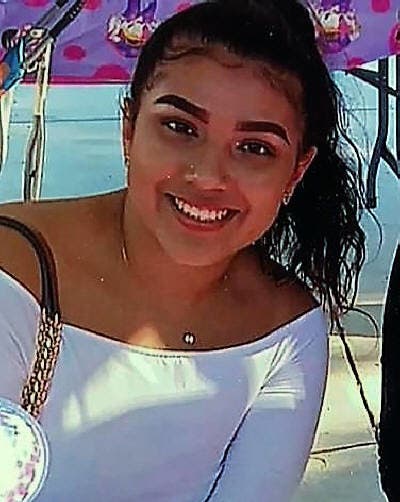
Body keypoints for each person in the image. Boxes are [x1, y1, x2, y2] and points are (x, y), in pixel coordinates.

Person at [0, 0, 366, 500]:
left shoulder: (286, 329)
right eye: (180, 127)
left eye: (255, 148)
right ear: (129, 129)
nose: (208, 176)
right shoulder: (14, 268)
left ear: (296, 173)